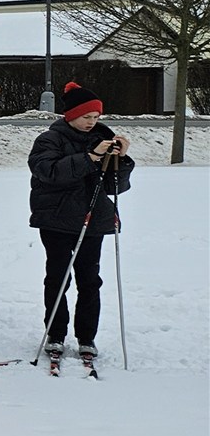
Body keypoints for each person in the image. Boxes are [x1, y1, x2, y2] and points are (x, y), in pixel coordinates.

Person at [28, 81, 134, 366]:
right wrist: (90, 157)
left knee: (90, 281)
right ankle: (56, 333)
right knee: (58, 278)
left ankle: (87, 336)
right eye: (87, 116)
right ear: (71, 115)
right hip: (57, 220)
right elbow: (48, 171)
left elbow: (116, 187)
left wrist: (121, 161)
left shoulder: (103, 136)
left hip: (93, 220)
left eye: (96, 117)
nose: (93, 122)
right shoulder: (49, 140)